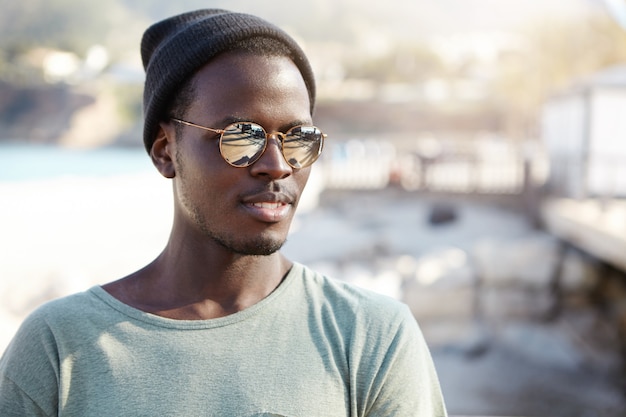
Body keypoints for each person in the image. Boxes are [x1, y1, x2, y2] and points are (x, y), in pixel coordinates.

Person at [0, 9, 447, 416]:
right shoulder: (58, 348)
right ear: (165, 152)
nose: (276, 164)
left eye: (298, 139)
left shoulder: (371, 338)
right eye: (240, 137)